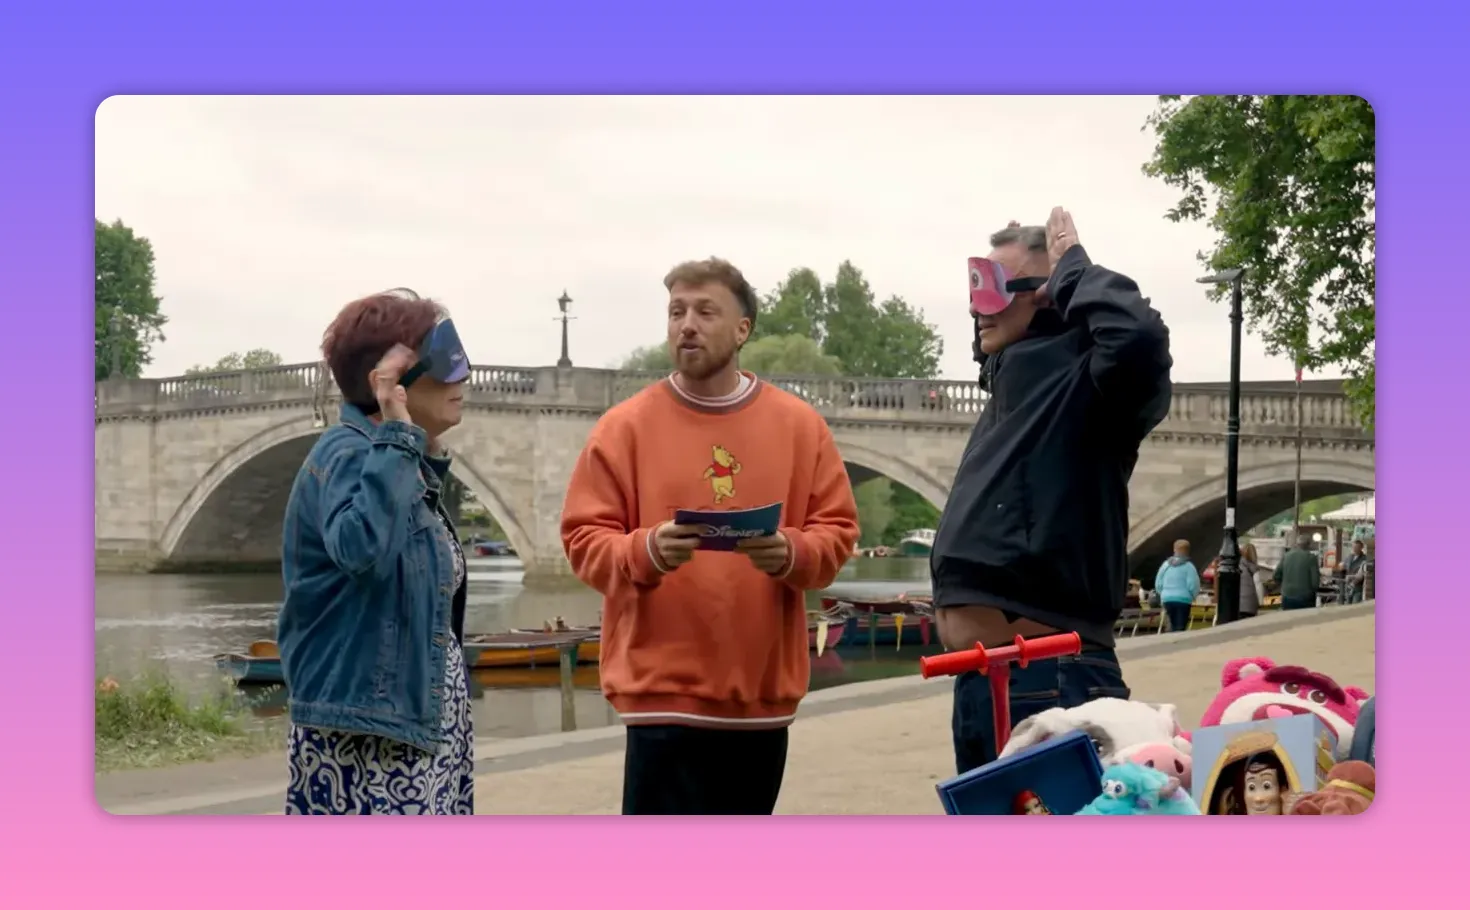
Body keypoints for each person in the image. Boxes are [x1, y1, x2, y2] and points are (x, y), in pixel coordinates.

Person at [560, 257, 860, 815]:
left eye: (704, 312)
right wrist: (644, 550)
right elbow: (582, 540)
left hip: (760, 703)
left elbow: (837, 534)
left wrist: (792, 552)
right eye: (676, 312)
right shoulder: (623, 428)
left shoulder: (800, 427)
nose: (687, 326)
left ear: (742, 329)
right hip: (659, 701)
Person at [931, 208, 1173, 774]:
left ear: (1046, 293)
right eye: (974, 289)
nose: (976, 308)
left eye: (993, 288)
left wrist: (1075, 272)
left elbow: (1138, 338)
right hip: (983, 681)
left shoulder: (1092, 388)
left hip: (1050, 676)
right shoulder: (1011, 389)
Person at [276, 288, 475, 815]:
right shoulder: (347, 454)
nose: (462, 379)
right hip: (368, 735)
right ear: (390, 381)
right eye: (444, 362)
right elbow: (361, 549)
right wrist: (400, 435)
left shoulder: (394, 459)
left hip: (412, 725)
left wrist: (419, 451)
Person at [1155, 540, 1201, 633]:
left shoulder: (1165, 565)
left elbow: (1158, 582)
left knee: (1169, 624)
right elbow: (1193, 584)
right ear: (1188, 552)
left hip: (1167, 599)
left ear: (1174, 550)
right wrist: (1193, 596)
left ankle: (1169, 637)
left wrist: (1163, 594)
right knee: (1180, 626)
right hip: (1183, 600)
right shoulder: (1189, 567)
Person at [1274, 533, 1321, 611]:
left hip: (1287, 596)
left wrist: (1284, 586)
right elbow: (1315, 583)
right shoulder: (1311, 558)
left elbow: (1276, 575)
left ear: (1297, 544)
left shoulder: (1286, 556)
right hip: (1305, 597)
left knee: (1289, 617)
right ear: (1308, 545)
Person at [1239, 541, 1263, 617]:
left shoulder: (1235, 566)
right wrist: (1261, 602)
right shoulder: (1254, 568)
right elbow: (1258, 585)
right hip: (1250, 605)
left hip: (1236, 605)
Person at [1345, 539, 1367, 603]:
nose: (1354, 549)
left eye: (1356, 547)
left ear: (1361, 548)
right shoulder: (1349, 557)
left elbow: (1362, 574)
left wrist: (1352, 578)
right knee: (1347, 605)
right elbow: (1345, 566)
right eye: (1353, 547)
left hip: (1358, 586)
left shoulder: (1365, 558)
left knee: (1355, 604)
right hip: (1348, 585)